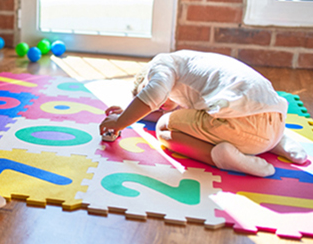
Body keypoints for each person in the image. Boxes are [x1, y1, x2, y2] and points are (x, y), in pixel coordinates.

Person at [99, 50, 308, 177]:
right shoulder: (194, 66)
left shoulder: (161, 64)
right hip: (276, 120)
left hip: (241, 128)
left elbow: (154, 97)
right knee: (177, 118)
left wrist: (120, 122)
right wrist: (130, 112)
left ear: (148, 79)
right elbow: (162, 106)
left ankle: (224, 157)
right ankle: (279, 142)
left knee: (164, 128)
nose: (159, 106)